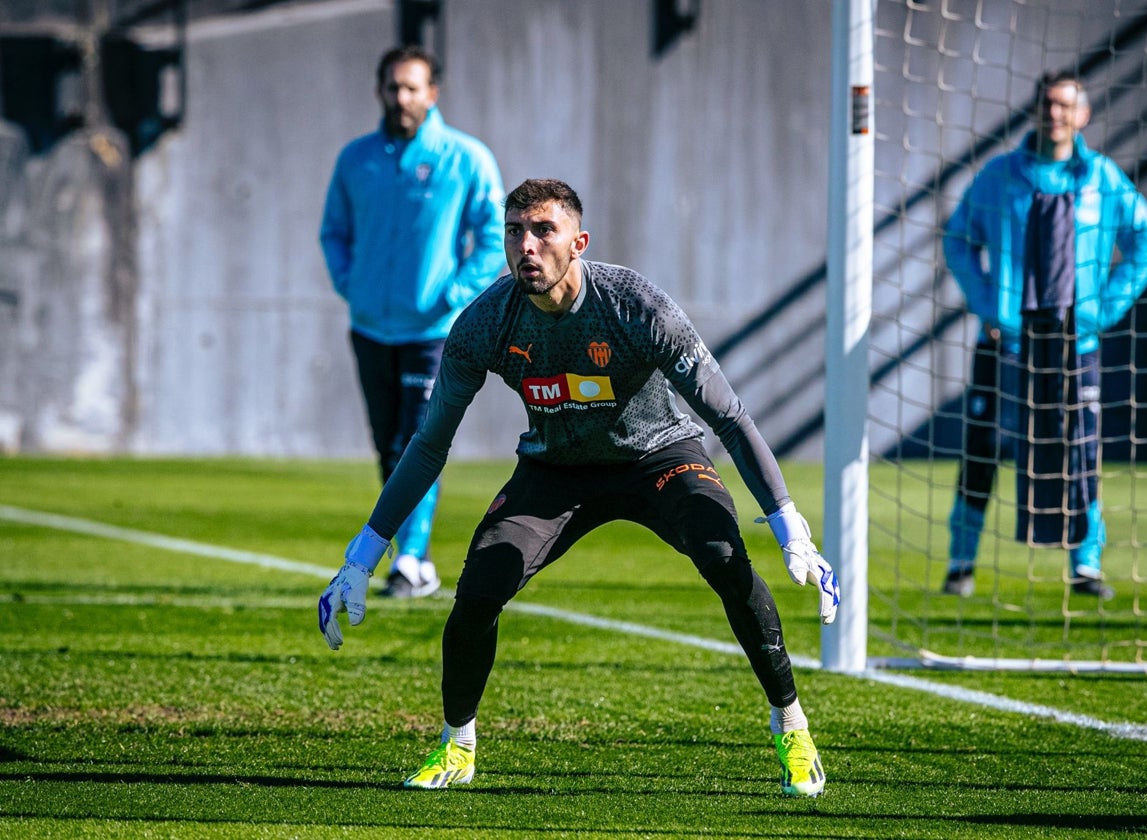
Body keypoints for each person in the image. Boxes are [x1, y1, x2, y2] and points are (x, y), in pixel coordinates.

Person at [318, 178, 841, 797]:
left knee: (723, 555)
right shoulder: (486, 322)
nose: (527, 246)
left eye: (543, 230)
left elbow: (726, 414)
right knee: (479, 590)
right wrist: (363, 553)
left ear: (579, 242)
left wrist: (787, 520)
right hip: (555, 470)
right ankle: (456, 744)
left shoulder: (634, 306)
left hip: (657, 457)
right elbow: (431, 444)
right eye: (515, 231)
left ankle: (792, 724)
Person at [940, 70, 1147, 600]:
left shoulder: (1103, 178)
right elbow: (958, 240)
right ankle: (960, 562)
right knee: (983, 447)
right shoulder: (999, 175)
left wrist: (1103, 309)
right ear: (1036, 110)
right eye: (1048, 104)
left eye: (1066, 105)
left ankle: (1086, 566)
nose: (1055, 113)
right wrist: (987, 304)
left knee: (1082, 449)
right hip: (1005, 341)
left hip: (1076, 342)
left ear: (1082, 115)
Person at [319, 45, 506, 599]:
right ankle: (409, 557)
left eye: (412, 87)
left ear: (432, 93)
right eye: (393, 87)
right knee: (386, 446)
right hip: (371, 326)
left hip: (434, 332)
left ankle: (412, 559)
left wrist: (453, 293)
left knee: (414, 443)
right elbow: (334, 232)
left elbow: (493, 236)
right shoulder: (356, 159)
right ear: (379, 91)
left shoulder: (465, 157)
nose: (402, 97)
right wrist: (352, 285)